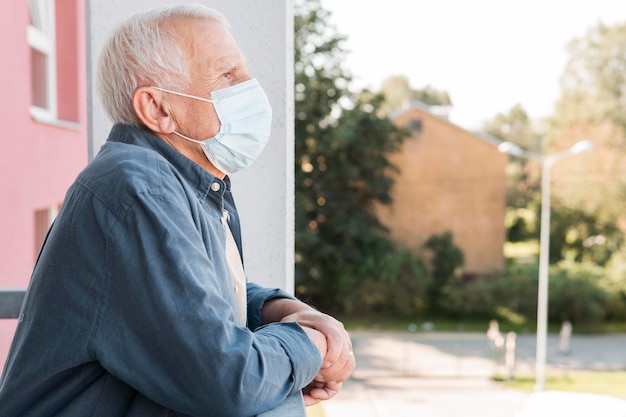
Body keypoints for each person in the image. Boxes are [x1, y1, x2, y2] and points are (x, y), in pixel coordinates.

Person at [0, 4, 355, 417]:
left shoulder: (175, 181)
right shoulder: (136, 187)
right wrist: (311, 343)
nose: (251, 87)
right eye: (227, 76)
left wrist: (283, 310)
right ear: (157, 109)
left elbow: (188, 289)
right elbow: (228, 381)